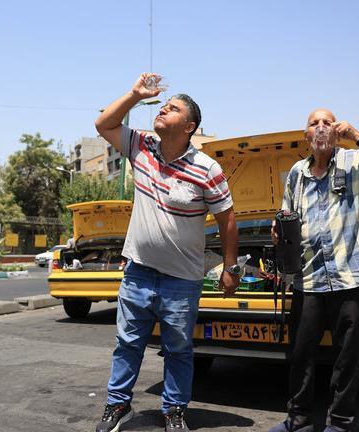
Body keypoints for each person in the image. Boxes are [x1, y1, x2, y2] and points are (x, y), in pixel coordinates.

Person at [93, 73, 239, 432]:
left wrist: (230, 267)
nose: (162, 109)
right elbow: (103, 123)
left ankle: (174, 410)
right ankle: (117, 405)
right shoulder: (141, 147)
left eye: (172, 108)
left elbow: (227, 219)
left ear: (189, 126)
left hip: (182, 280)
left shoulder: (207, 169)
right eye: (162, 106)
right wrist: (134, 94)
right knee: (127, 344)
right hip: (138, 272)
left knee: (178, 349)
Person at [269, 109, 359, 432]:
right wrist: (279, 224)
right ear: (306, 136)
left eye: (327, 122)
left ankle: (339, 421)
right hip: (308, 279)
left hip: (350, 276)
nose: (321, 127)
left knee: (347, 356)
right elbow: (288, 211)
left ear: (336, 130)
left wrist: (358, 135)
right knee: (300, 354)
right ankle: (298, 419)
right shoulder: (297, 173)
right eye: (314, 123)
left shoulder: (354, 161)